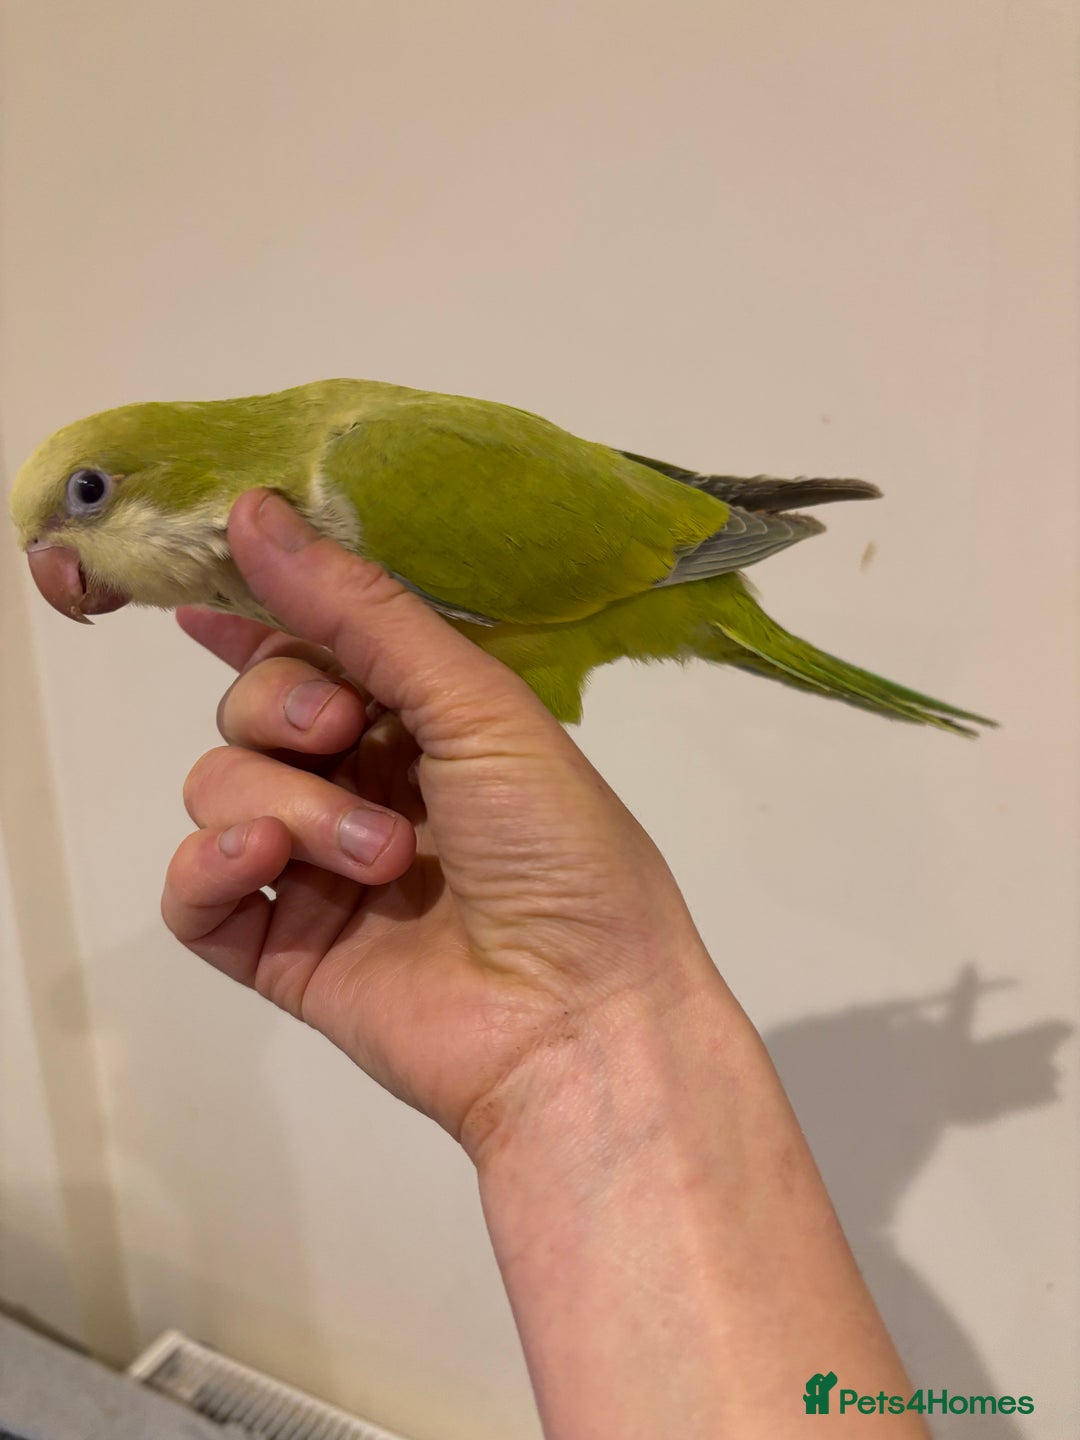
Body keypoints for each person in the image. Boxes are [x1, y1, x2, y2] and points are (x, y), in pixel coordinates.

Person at [162, 490, 929, 1438]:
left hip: (655, 576)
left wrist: (588, 1017)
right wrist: (554, 1049)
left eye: (90, 497)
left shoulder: (359, 476)